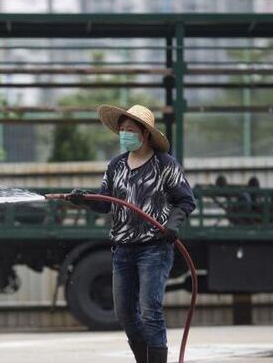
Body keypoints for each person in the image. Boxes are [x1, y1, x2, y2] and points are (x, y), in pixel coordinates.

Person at [69, 104, 196, 363]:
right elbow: (105, 202)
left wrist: (173, 223)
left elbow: (185, 200)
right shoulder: (116, 166)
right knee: (125, 313)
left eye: (130, 130)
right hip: (123, 250)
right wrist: (85, 199)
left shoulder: (164, 164)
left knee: (150, 310)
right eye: (122, 130)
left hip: (155, 248)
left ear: (145, 134)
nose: (124, 134)